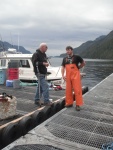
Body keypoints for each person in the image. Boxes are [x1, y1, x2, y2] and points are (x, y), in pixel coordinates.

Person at [61, 46, 85, 111]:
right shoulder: (64, 59)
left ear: (72, 50)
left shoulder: (77, 57)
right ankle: (69, 103)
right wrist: (63, 75)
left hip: (75, 75)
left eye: (68, 50)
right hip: (68, 75)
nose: (67, 51)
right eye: (66, 50)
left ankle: (78, 105)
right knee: (68, 90)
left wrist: (78, 68)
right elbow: (63, 67)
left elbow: (83, 63)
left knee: (77, 90)